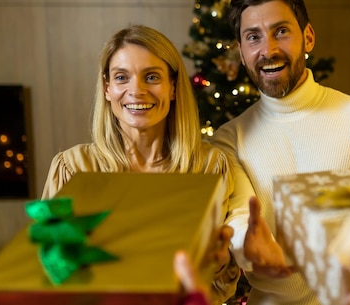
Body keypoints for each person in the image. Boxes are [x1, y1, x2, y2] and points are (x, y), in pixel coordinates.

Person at [212, 0, 350, 305]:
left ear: (309, 37)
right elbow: (243, 216)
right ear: (241, 52)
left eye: (281, 32)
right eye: (253, 37)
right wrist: (249, 247)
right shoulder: (229, 140)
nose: (268, 50)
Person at [40, 25, 239, 305]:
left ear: (173, 87)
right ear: (107, 88)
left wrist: (219, 262)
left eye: (152, 77)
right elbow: (47, 274)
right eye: (122, 77)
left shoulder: (209, 166)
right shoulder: (72, 168)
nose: (137, 91)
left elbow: (219, 288)